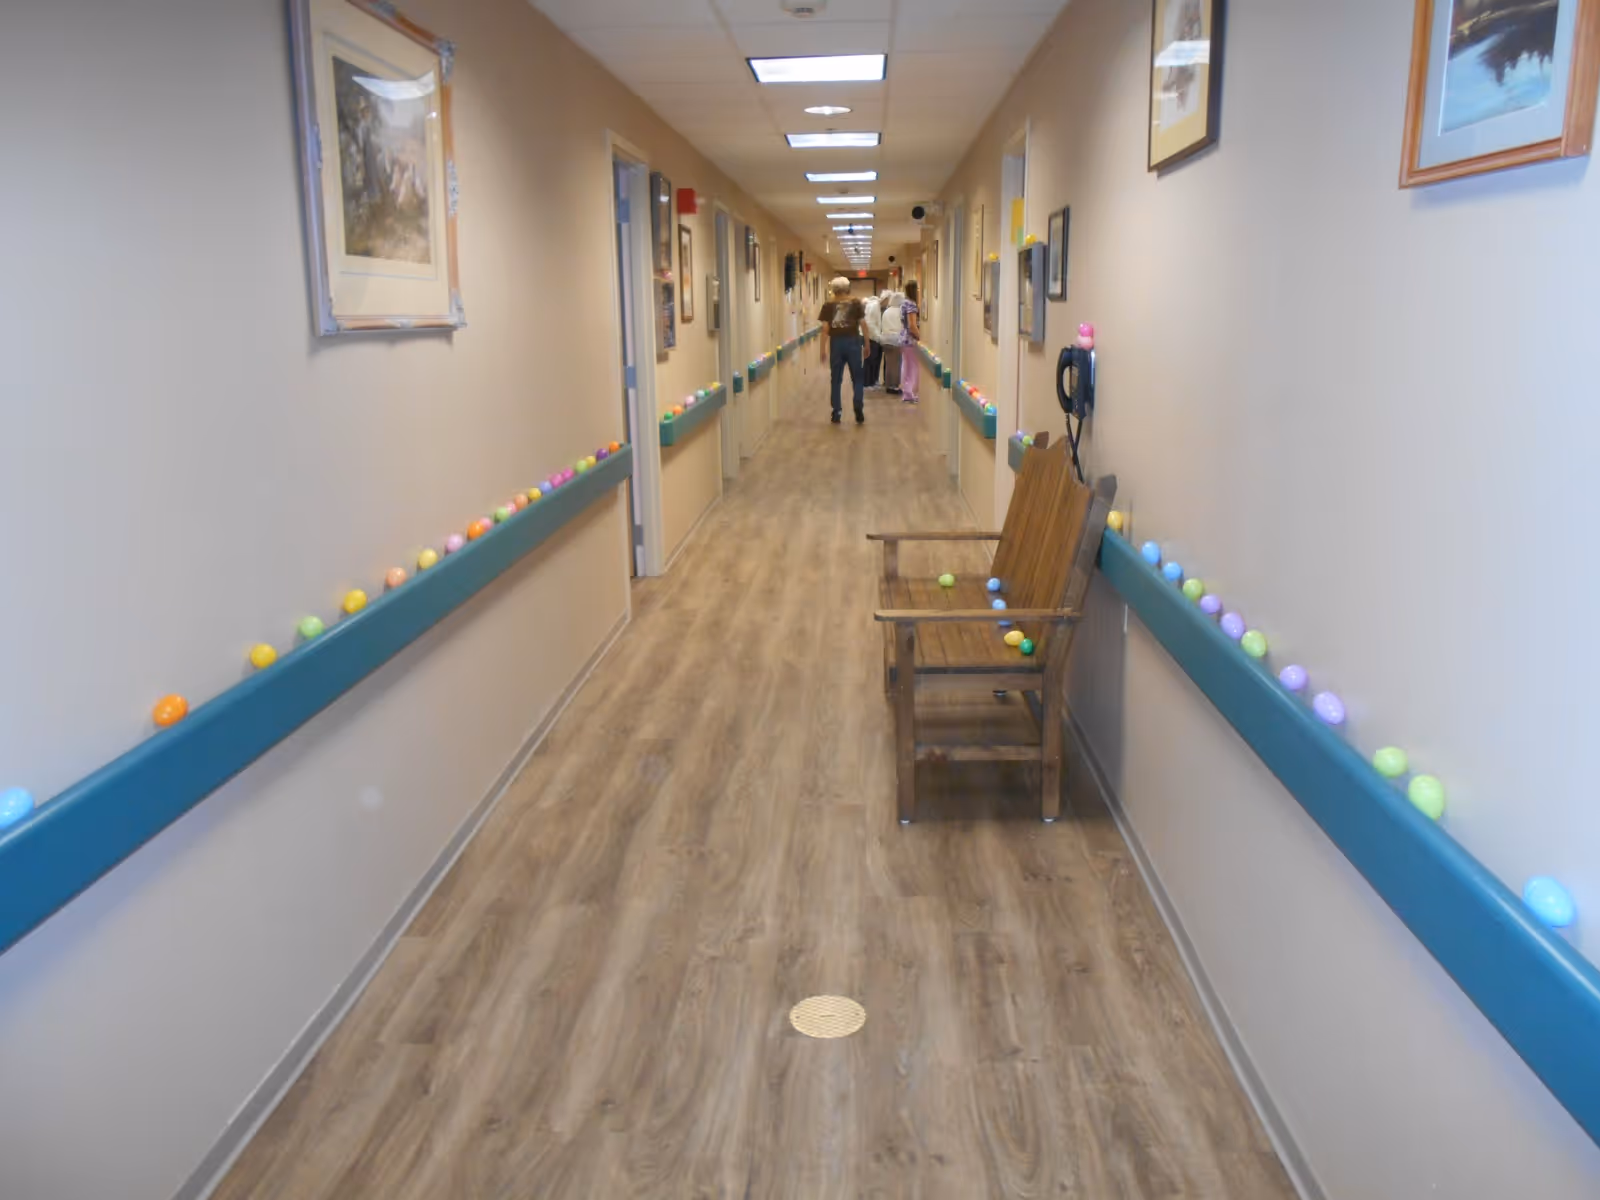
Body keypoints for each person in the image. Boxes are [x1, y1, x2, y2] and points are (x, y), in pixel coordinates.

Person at [817, 277, 867, 425]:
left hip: (837, 343)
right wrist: (867, 344)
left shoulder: (828, 305)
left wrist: (822, 349)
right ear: (847, 288)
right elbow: (863, 324)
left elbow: (825, 329)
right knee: (857, 378)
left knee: (836, 379)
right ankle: (858, 405)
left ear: (833, 289)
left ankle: (837, 412)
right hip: (853, 342)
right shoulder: (856, 302)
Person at [899, 281, 923, 405]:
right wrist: (920, 337)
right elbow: (912, 325)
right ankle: (909, 393)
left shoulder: (903, 303)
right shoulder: (912, 304)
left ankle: (906, 391)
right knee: (912, 367)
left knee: (906, 365)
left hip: (904, 338)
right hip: (910, 339)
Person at [880, 292, 904, 395]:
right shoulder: (901, 311)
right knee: (896, 365)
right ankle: (894, 387)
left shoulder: (887, 311)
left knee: (889, 364)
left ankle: (888, 384)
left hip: (885, 340)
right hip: (896, 340)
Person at [862, 291, 885, 389]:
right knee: (871, 360)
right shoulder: (874, 307)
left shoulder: (874, 306)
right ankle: (868, 382)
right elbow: (871, 324)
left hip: (873, 337)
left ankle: (873, 381)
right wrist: (878, 336)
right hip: (872, 338)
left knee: (874, 361)